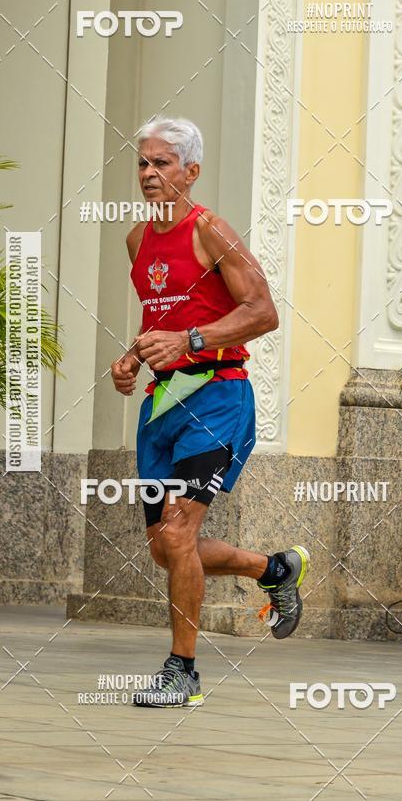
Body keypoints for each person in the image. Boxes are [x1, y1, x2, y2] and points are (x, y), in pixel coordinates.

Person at [110, 117, 310, 708]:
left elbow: (264, 311)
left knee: (178, 532)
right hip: (163, 404)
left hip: (218, 396)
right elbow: (162, 320)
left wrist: (192, 342)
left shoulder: (211, 232)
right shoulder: (136, 241)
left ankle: (184, 673)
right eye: (143, 163)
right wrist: (131, 359)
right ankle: (272, 569)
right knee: (163, 548)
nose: (149, 174)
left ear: (190, 172)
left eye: (162, 163)